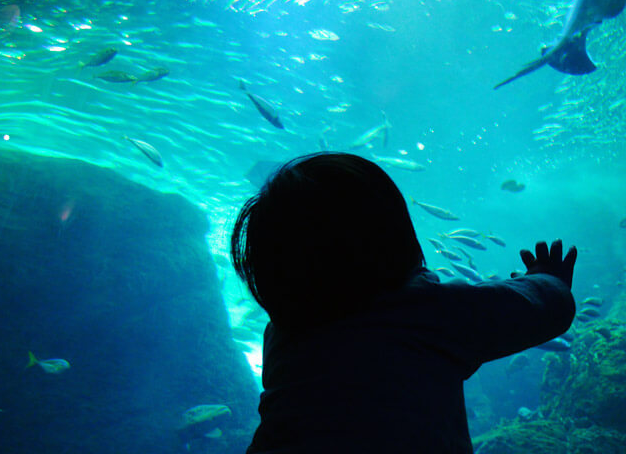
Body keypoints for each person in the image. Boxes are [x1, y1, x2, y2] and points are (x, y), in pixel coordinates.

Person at [230, 152, 577, 453]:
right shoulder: (429, 313)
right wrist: (548, 277)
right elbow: (548, 307)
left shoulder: (282, 336)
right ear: (396, 240)